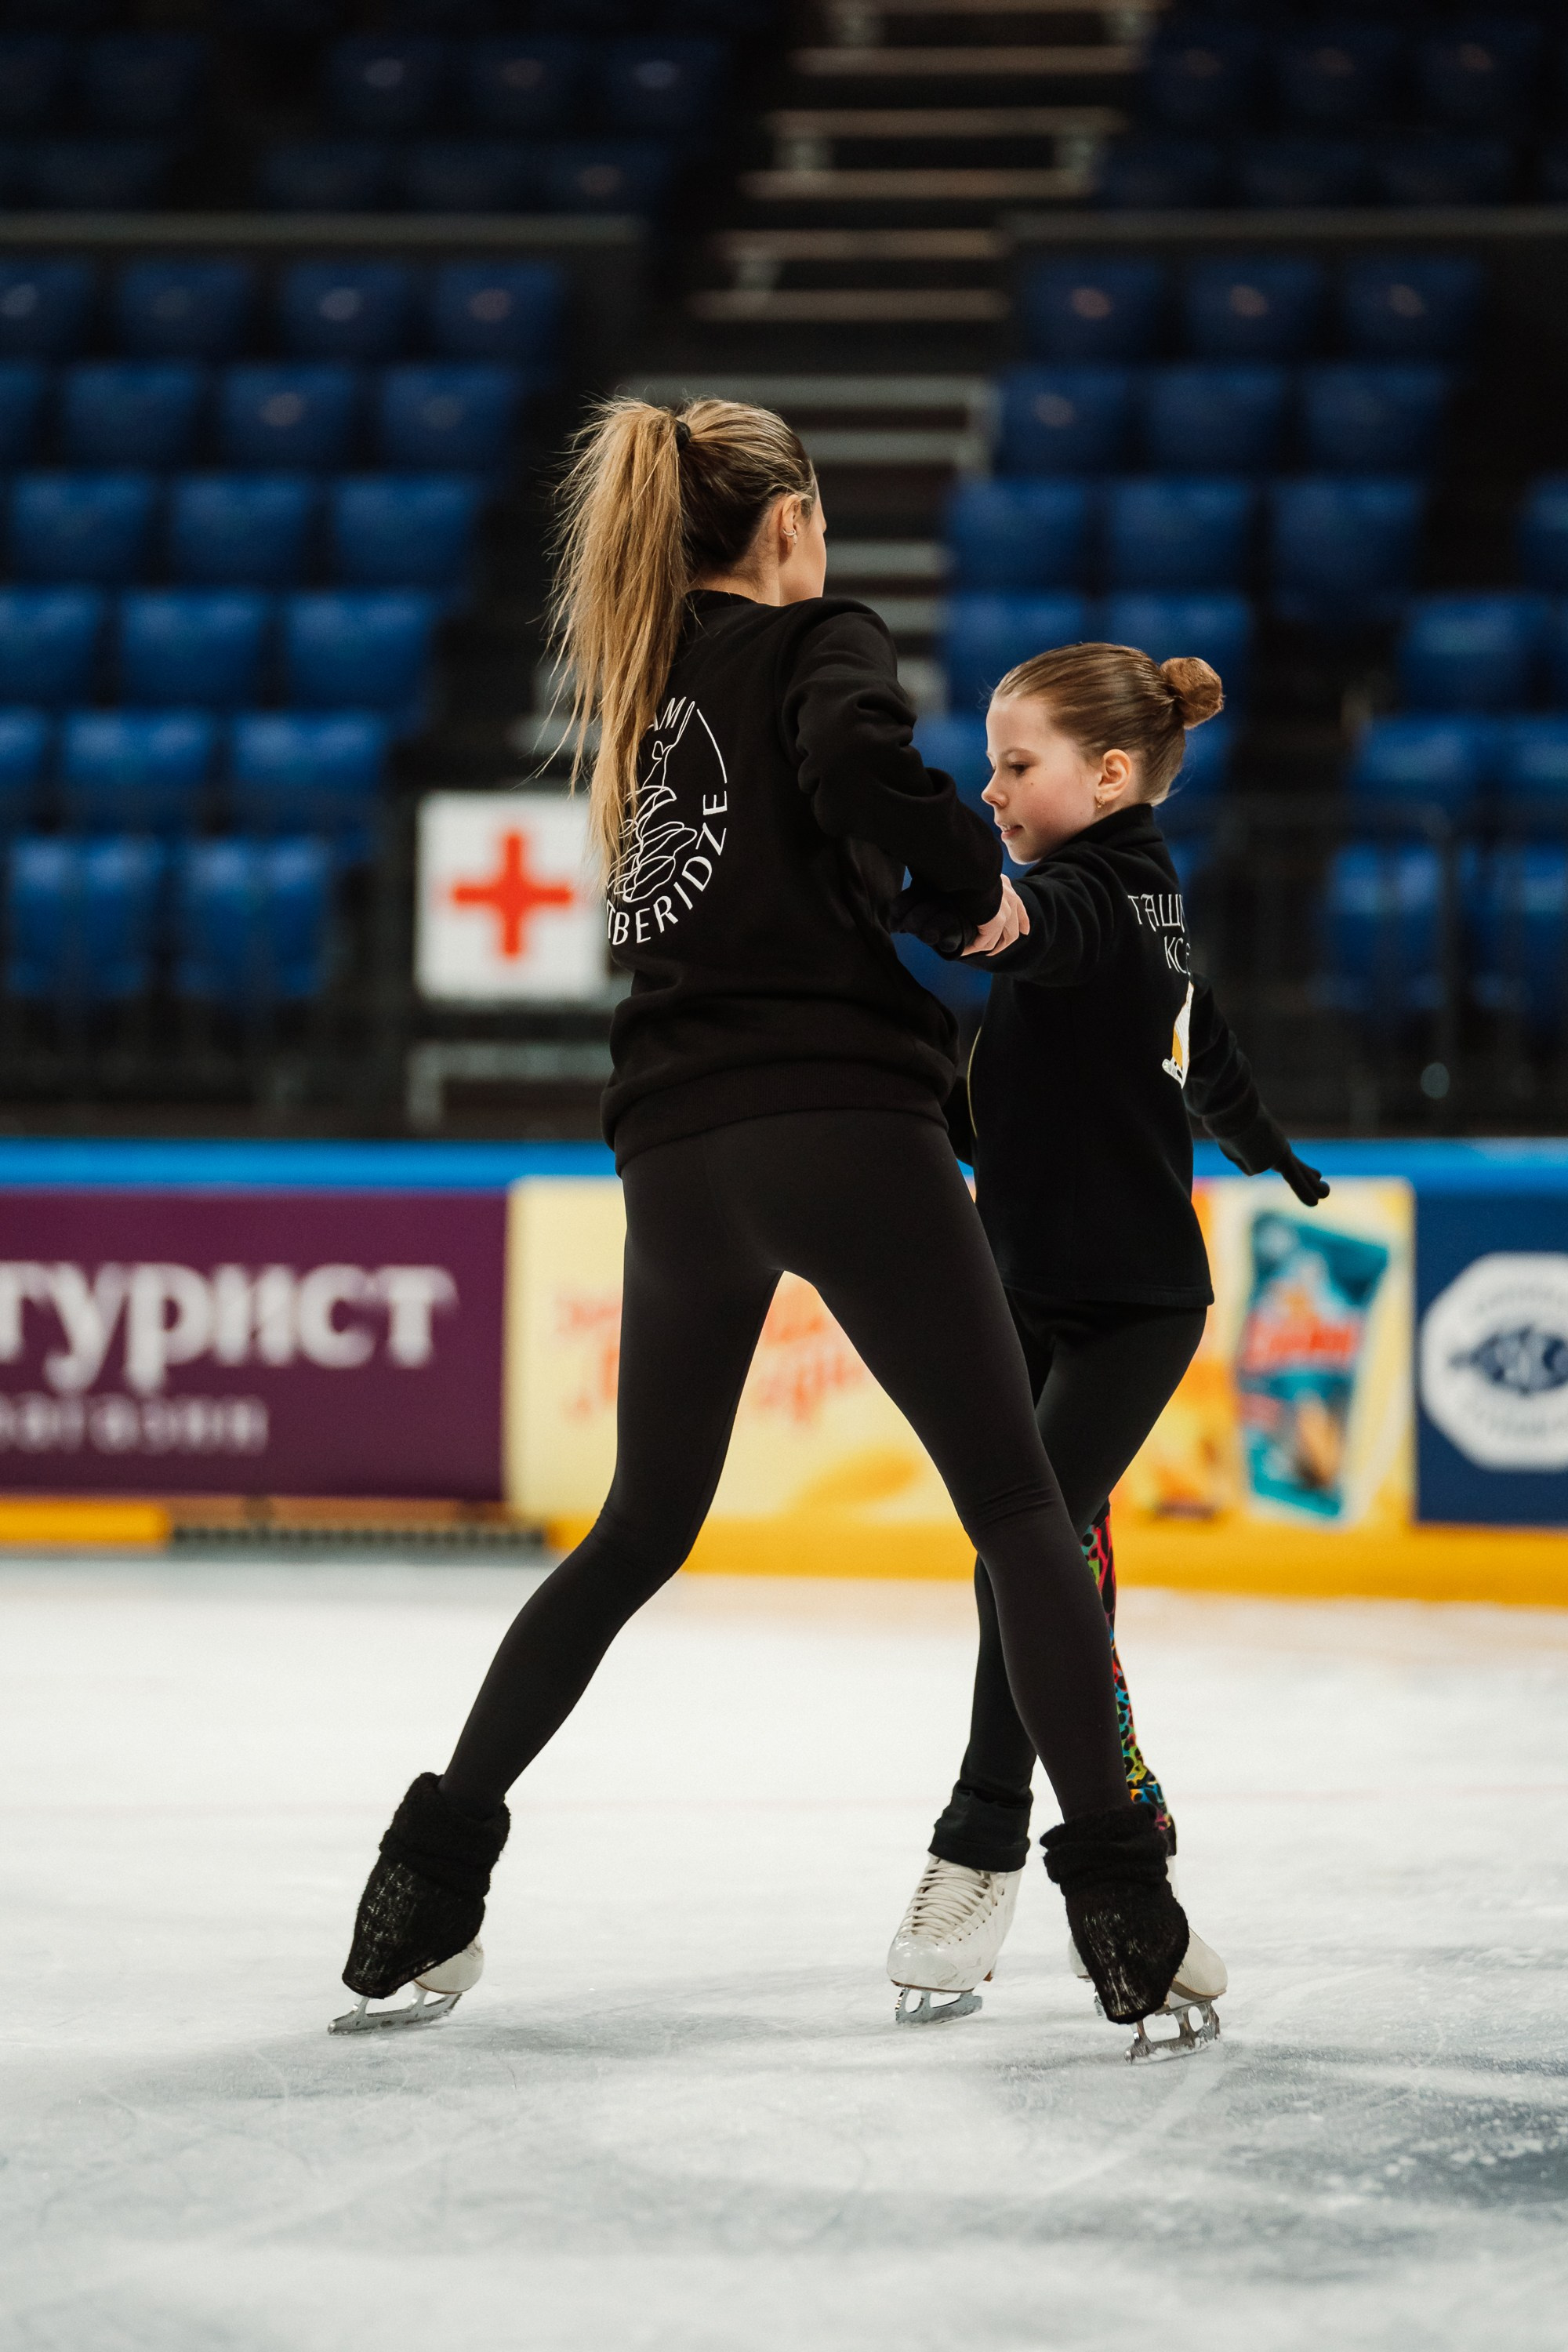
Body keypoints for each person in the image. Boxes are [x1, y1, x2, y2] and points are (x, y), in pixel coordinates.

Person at [332, 401, 1203, 2044]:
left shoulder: (650, 692)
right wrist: (975, 886)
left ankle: (421, 1891)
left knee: (641, 1525)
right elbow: (864, 764)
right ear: (792, 521)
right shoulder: (821, 638)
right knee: (1021, 1510)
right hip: (835, 1127)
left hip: (674, 1152)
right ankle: (1121, 1907)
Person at [884, 640, 1328, 2052]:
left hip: (1133, 1306)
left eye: (1018, 768)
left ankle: (984, 1844)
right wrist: (1270, 1150)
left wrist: (933, 888)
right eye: (994, 763)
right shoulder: (1146, 898)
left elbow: (1041, 934)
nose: (995, 784)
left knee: (1026, 1551)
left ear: (1113, 776)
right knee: (1041, 1558)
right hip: (1024, 1287)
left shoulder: (1117, 898)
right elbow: (1207, 1053)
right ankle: (1088, 1813)